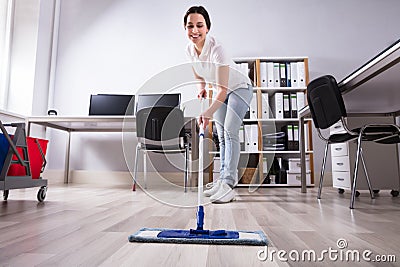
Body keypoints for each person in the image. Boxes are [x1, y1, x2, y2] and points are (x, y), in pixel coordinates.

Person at [183, 6, 253, 203]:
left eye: (199, 25)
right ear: (185, 28)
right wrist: (202, 87)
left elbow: (222, 89)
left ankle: (228, 184)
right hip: (221, 90)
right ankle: (222, 180)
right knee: (221, 134)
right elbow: (198, 72)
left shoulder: (217, 49)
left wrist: (206, 113)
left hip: (239, 88)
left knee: (230, 131)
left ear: (207, 28)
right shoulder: (189, 50)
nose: (194, 30)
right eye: (190, 26)